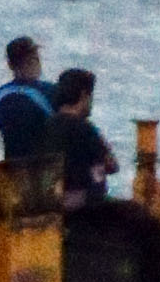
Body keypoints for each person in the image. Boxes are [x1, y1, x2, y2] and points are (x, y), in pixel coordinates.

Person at [50, 65, 118, 207]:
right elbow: (112, 165)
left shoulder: (48, 125)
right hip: (85, 206)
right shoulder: (85, 129)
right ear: (83, 95)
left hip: (52, 202)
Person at [0, 38, 57, 163]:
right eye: (34, 60)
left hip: (12, 166)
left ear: (10, 65)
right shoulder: (49, 91)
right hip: (45, 166)